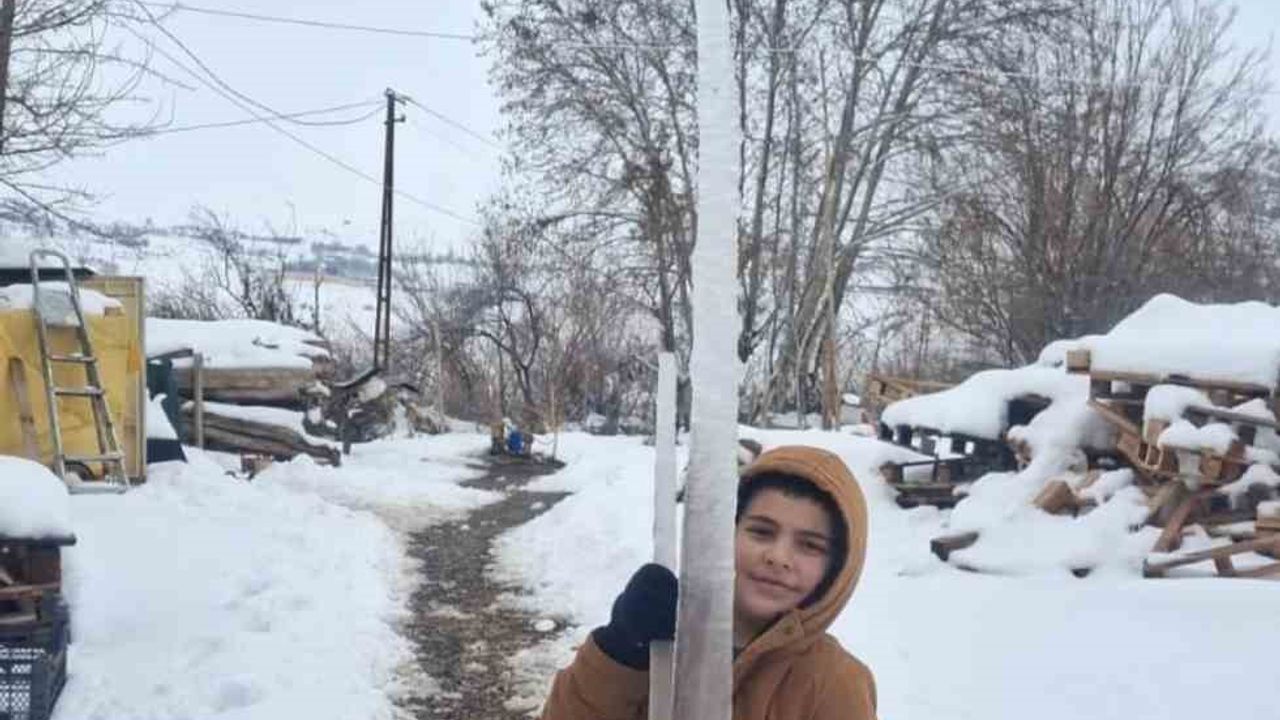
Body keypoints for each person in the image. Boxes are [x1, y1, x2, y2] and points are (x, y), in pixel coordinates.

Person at [539, 444, 876, 720]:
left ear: (837, 566)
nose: (778, 557)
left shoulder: (834, 683)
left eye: (810, 545)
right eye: (761, 532)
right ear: (728, 532)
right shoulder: (664, 640)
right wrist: (620, 648)